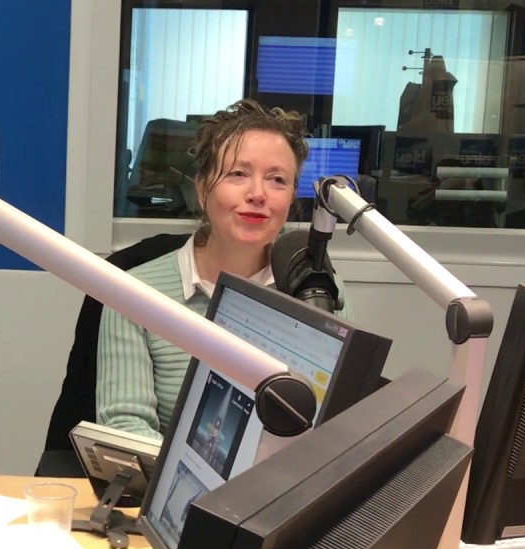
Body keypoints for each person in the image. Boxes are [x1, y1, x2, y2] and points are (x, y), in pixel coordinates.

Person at [97, 99, 352, 440]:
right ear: (203, 190)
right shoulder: (134, 295)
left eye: (277, 179)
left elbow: (338, 422)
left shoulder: (317, 290)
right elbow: (125, 425)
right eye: (238, 174)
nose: (258, 194)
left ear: (291, 198)